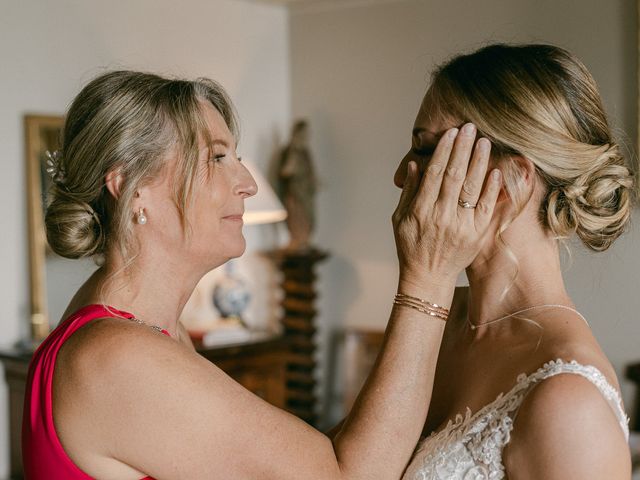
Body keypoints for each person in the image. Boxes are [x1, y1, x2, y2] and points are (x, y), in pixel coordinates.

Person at [22, 71, 502, 479]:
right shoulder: (119, 357)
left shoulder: (149, 330)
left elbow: (302, 459)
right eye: (216, 157)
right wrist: (428, 277)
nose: (248, 182)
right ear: (131, 185)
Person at [394, 44, 633, 479]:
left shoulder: (569, 403)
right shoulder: (437, 323)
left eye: (426, 149)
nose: (400, 175)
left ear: (510, 182)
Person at [276, 119, 318, 250]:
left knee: (307, 216)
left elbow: (310, 171)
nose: (305, 137)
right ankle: (297, 239)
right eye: (303, 133)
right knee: (296, 216)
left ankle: (304, 240)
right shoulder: (289, 151)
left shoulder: (306, 153)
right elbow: (285, 172)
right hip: (295, 192)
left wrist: (314, 181)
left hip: (306, 192)